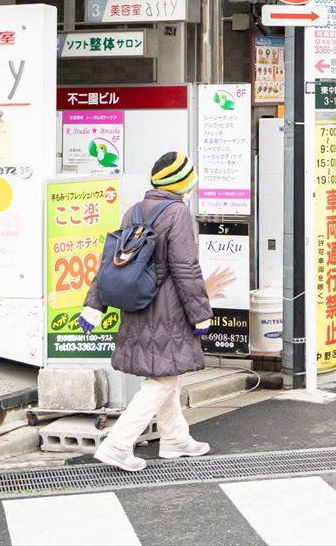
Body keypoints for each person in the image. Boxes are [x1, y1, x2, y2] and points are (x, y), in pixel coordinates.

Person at [88, 151, 213, 472]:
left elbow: (111, 262)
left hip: (137, 306)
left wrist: (94, 305)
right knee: (161, 380)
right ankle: (118, 444)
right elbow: (185, 268)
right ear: (182, 183)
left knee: (166, 374)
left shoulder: (134, 211)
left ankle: (175, 439)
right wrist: (200, 313)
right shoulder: (177, 213)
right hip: (167, 311)